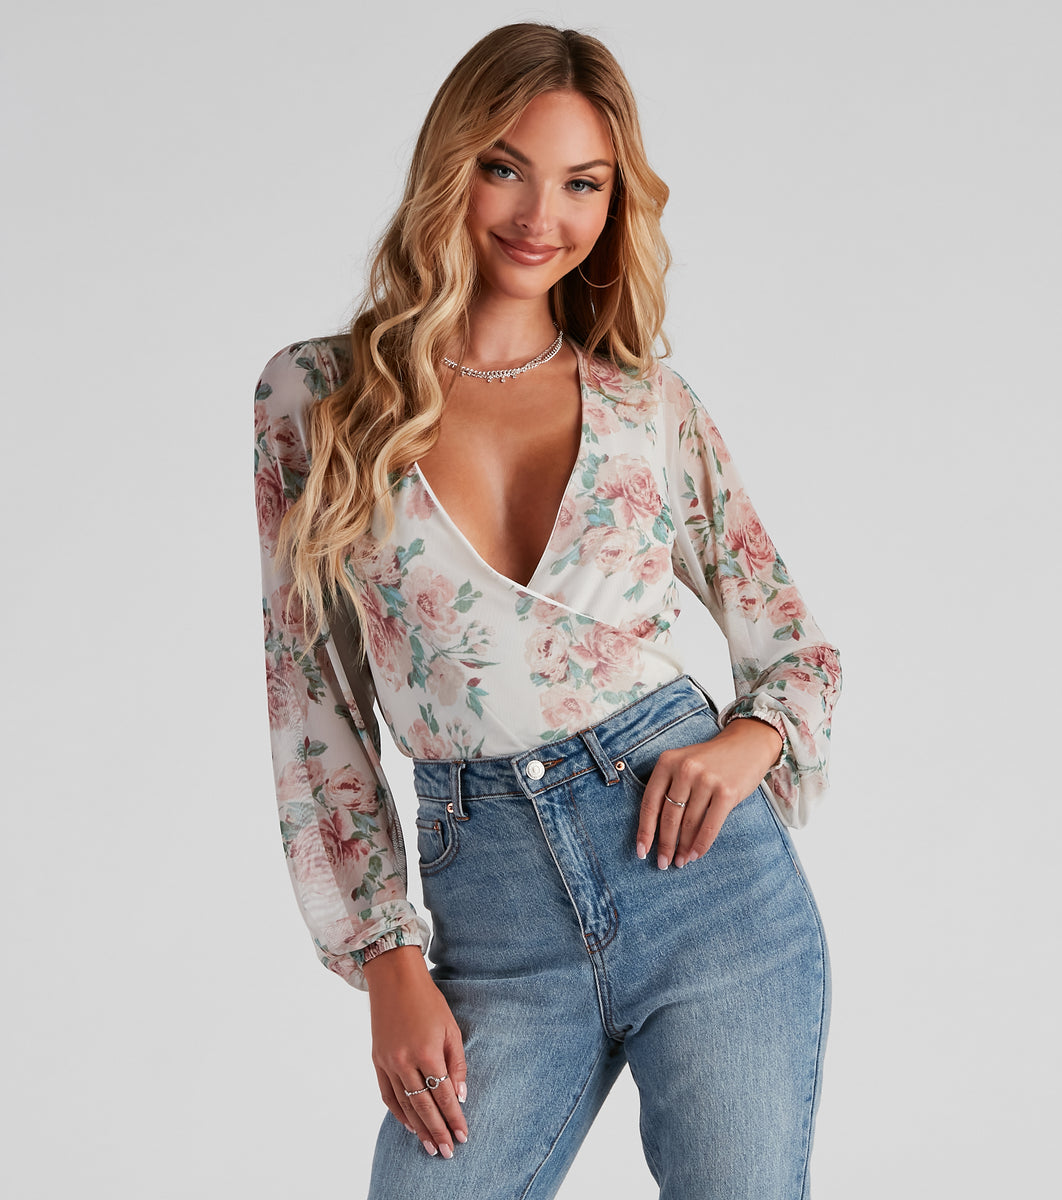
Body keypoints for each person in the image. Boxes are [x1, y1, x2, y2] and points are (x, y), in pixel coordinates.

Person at [255, 22, 841, 1200]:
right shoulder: (318, 400)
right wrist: (387, 958)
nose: (541, 216)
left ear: (616, 202)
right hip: (495, 922)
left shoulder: (647, 404)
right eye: (505, 168)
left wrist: (746, 742)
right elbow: (309, 699)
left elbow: (796, 648)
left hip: (711, 894)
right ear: (450, 168)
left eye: (584, 182)